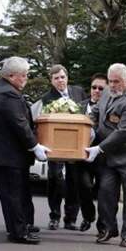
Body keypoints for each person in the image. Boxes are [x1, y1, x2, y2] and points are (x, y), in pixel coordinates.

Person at [0, 57, 50, 244]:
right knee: (13, 194)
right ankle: (18, 232)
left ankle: (22, 225)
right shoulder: (7, 94)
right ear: (11, 76)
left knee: (18, 193)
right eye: (24, 76)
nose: (26, 79)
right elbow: (19, 123)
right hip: (5, 155)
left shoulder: (5, 90)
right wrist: (35, 146)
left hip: (7, 154)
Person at [86, 63, 126, 247]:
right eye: (111, 81)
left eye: (117, 82)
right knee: (105, 192)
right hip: (110, 157)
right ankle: (108, 229)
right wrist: (86, 125)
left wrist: (99, 148)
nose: (112, 85)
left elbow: (122, 133)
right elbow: (97, 111)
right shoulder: (107, 92)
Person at [40, 64, 87, 231]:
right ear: (51, 81)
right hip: (56, 144)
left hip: (75, 143)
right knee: (54, 179)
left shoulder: (79, 92)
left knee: (74, 180)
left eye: (62, 77)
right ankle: (54, 217)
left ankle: (71, 218)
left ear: (67, 77)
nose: (60, 80)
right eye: (56, 78)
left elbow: (85, 114)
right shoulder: (47, 98)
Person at [77, 73, 107, 234]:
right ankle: (88, 216)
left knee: (103, 191)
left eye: (100, 88)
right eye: (94, 87)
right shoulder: (79, 106)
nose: (96, 91)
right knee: (84, 187)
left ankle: (103, 226)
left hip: (103, 156)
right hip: (83, 157)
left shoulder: (111, 107)